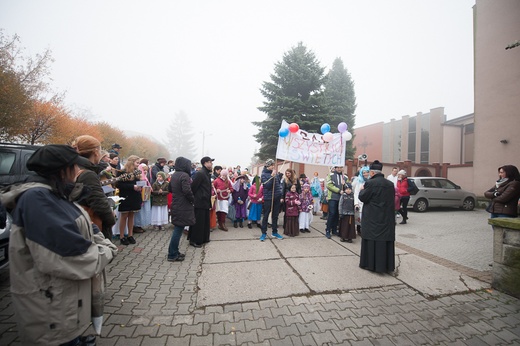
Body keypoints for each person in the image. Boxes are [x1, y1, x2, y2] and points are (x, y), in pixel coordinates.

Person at [0, 144, 118, 346]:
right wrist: (106, 251)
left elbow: (85, 226)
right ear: (64, 170)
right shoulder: (38, 200)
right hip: (50, 308)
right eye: (75, 166)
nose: (78, 171)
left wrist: (97, 236)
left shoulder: (55, 194)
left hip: (61, 302)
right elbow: (70, 257)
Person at [72, 135, 116, 241]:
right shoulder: (88, 174)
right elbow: (99, 204)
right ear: (96, 152)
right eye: (100, 151)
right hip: (92, 228)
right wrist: (111, 219)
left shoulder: (74, 167)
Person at [358, 160, 396, 273]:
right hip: (386, 218)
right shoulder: (390, 184)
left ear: (373, 173)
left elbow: (363, 198)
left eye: (369, 172)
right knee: (383, 241)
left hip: (372, 217)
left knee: (372, 240)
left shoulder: (370, 183)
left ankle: (371, 265)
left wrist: (361, 191)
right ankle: (386, 266)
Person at [168, 156, 195, 261]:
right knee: (178, 229)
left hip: (176, 203)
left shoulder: (175, 174)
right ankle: (172, 254)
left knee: (178, 229)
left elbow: (170, 188)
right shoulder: (184, 175)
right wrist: (193, 199)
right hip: (183, 205)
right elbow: (187, 191)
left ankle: (174, 251)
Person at [116, 155, 142, 245]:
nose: (138, 165)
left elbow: (138, 182)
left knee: (132, 215)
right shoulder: (122, 172)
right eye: (137, 163)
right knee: (124, 216)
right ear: (132, 162)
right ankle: (122, 236)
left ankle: (130, 235)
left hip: (135, 196)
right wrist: (132, 186)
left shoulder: (137, 172)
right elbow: (118, 185)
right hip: (126, 196)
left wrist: (140, 186)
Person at [190, 156, 213, 247]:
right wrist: (199, 196)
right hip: (200, 201)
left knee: (204, 221)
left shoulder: (207, 173)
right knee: (198, 222)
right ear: (204, 163)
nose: (211, 163)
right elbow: (193, 187)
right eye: (209, 162)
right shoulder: (200, 173)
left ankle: (203, 238)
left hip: (205, 201)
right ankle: (194, 240)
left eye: (211, 162)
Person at [260, 159, 284, 241]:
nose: (273, 166)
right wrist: (272, 177)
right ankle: (263, 233)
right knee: (266, 215)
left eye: (274, 165)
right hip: (268, 198)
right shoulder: (263, 174)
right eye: (271, 165)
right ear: (267, 165)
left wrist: (280, 194)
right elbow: (267, 186)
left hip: (277, 197)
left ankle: (274, 232)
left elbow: (278, 184)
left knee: (275, 215)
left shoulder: (275, 173)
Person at [325, 166, 348, 239]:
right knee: (332, 213)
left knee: (338, 214)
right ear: (335, 168)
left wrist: (344, 185)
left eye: (340, 167)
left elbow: (348, 186)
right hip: (332, 197)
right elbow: (329, 185)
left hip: (341, 198)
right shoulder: (330, 175)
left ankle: (334, 229)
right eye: (337, 167)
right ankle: (328, 230)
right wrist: (338, 190)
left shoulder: (345, 177)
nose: (339, 169)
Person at [353, 166, 370, 235]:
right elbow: (356, 193)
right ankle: (360, 230)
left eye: (367, 172)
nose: (365, 174)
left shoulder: (371, 181)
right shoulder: (359, 182)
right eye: (364, 173)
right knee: (359, 217)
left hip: (368, 203)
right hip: (360, 203)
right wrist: (356, 203)